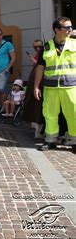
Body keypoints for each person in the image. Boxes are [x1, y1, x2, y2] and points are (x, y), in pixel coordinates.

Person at [34, 16, 76, 152]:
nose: (70, 29)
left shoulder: (74, 44)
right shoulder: (46, 47)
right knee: (50, 114)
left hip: (70, 86)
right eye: (67, 27)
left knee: (73, 114)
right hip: (50, 88)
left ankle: (74, 142)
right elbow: (40, 67)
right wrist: (36, 86)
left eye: (71, 27)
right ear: (57, 30)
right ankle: (50, 141)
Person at [22, 39, 45, 138]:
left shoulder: (45, 54)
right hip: (36, 85)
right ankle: (38, 131)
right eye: (35, 47)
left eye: (39, 46)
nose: (37, 49)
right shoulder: (37, 56)